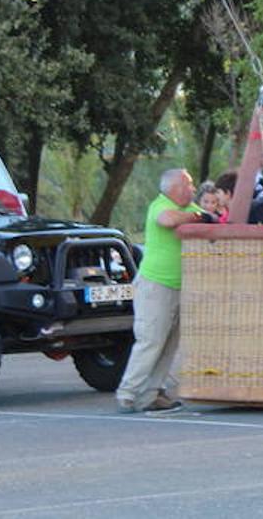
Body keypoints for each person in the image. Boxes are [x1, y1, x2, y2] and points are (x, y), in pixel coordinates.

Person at [116, 168, 202, 414]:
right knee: (151, 340)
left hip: (178, 286)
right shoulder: (160, 205)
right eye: (189, 185)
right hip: (156, 285)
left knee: (169, 343)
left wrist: (198, 215)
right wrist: (195, 217)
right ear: (175, 189)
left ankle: (151, 394)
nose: (193, 190)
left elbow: (210, 218)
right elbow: (167, 220)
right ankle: (128, 392)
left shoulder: (189, 209)